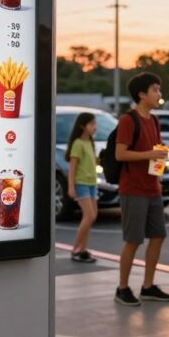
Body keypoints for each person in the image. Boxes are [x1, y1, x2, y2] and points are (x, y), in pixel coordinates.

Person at [114, 72, 169, 306]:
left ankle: (148, 286)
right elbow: (120, 153)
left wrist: (159, 157)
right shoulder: (129, 120)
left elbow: (153, 151)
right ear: (141, 94)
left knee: (158, 236)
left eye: (159, 90)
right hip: (133, 189)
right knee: (134, 240)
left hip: (153, 188)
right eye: (155, 90)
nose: (159, 94)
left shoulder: (155, 120)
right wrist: (149, 154)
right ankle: (122, 288)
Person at [66, 112, 98, 263]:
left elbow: (92, 163)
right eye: (91, 124)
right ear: (82, 126)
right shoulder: (78, 143)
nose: (94, 127)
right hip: (81, 183)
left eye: (94, 124)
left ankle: (83, 249)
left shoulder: (90, 143)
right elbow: (72, 168)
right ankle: (75, 250)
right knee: (89, 215)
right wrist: (71, 186)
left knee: (92, 216)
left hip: (92, 183)